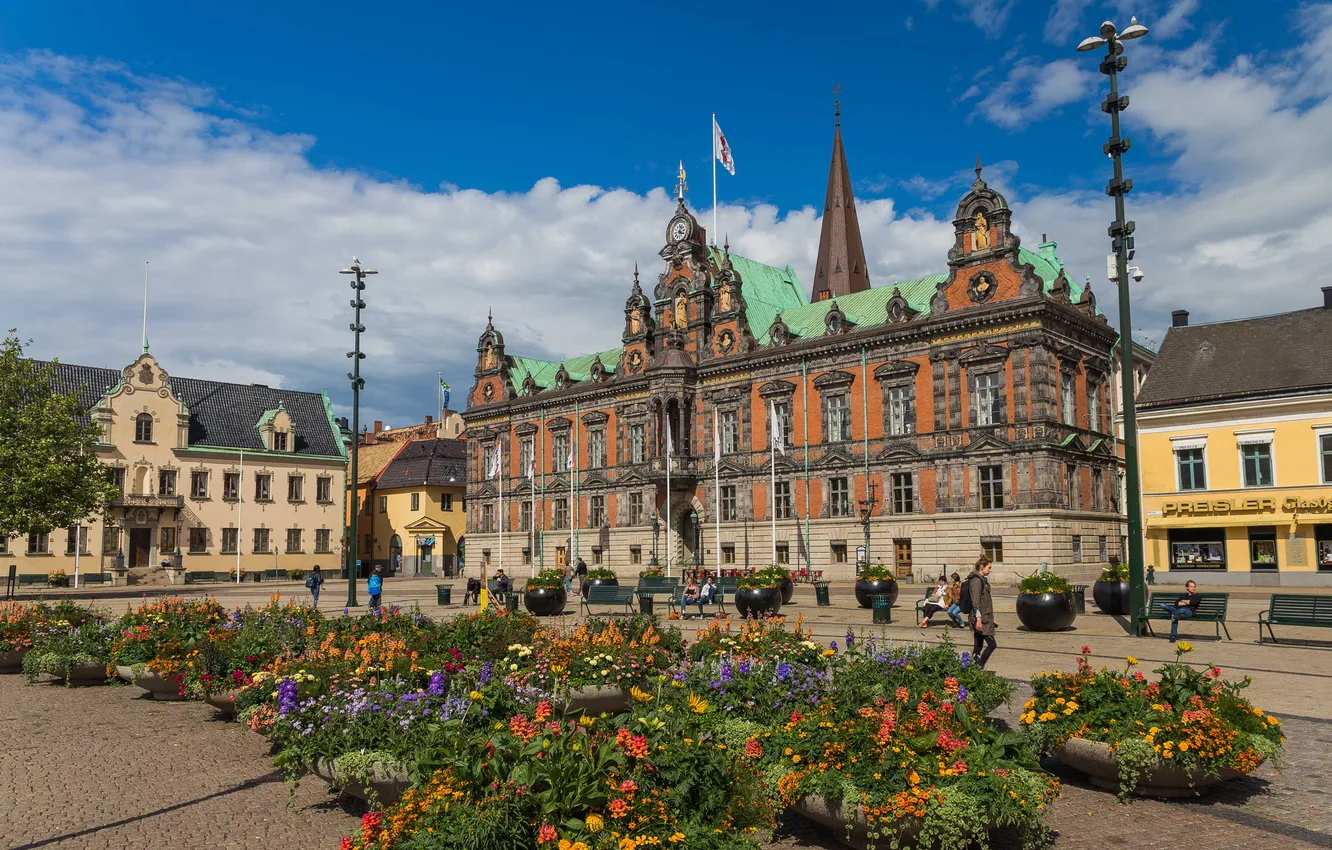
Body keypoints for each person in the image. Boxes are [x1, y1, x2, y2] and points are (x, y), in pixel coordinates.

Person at [964, 556, 997, 669]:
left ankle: (973, 668)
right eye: (989, 567)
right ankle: (979, 666)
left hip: (984, 617)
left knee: (978, 645)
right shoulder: (977, 581)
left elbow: (985, 602)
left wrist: (992, 619)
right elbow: (976, 601)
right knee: (992, 644)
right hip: (980, 619)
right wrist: (978, 619)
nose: (990, 570)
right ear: (982, 567)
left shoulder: (982, 580)